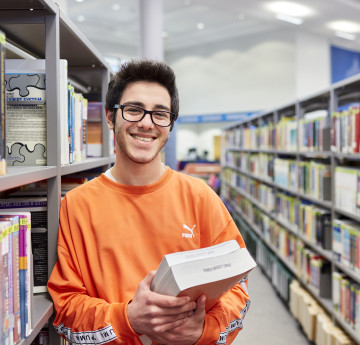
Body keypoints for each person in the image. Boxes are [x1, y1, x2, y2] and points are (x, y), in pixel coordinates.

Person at [47, 59, 251, 345]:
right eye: (134, 110)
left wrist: (204, 331)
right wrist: (128, 318)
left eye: (160, 114)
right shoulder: (77, 205)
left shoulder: (201, 197)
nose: (146, 123)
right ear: (110, 117)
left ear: (170, 125)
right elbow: (66, 309)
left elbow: (237, 287)